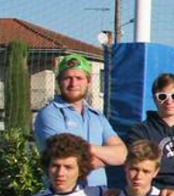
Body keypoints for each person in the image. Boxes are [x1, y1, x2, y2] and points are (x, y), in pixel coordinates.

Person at [33, 53, 126, 186]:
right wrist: (108, 158)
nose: (73, 83)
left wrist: (85, 148)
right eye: (67, 78)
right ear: (59, 81)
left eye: (79, 78)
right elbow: (66, 160)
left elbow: (122, 154)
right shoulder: (50, 114)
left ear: (88, 82)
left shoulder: (97, 116)